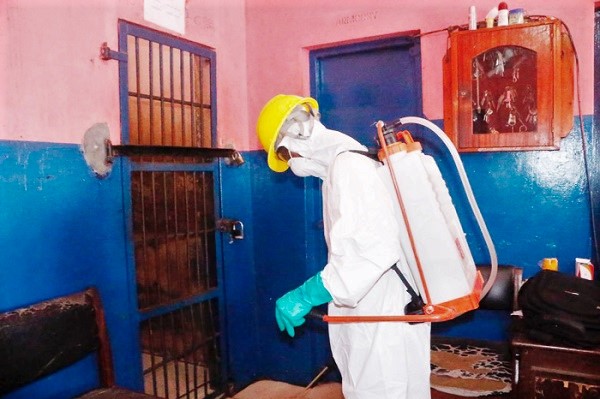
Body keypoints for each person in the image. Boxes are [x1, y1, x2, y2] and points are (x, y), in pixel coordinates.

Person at [256, 94, 431, 399]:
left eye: (283, 154)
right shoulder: (346, 164)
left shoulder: (349, 167)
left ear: (296, 134)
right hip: (379, 306)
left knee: (380, 390)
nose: (288, 163)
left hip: (380, 312)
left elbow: (371, 252)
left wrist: (306, 294)